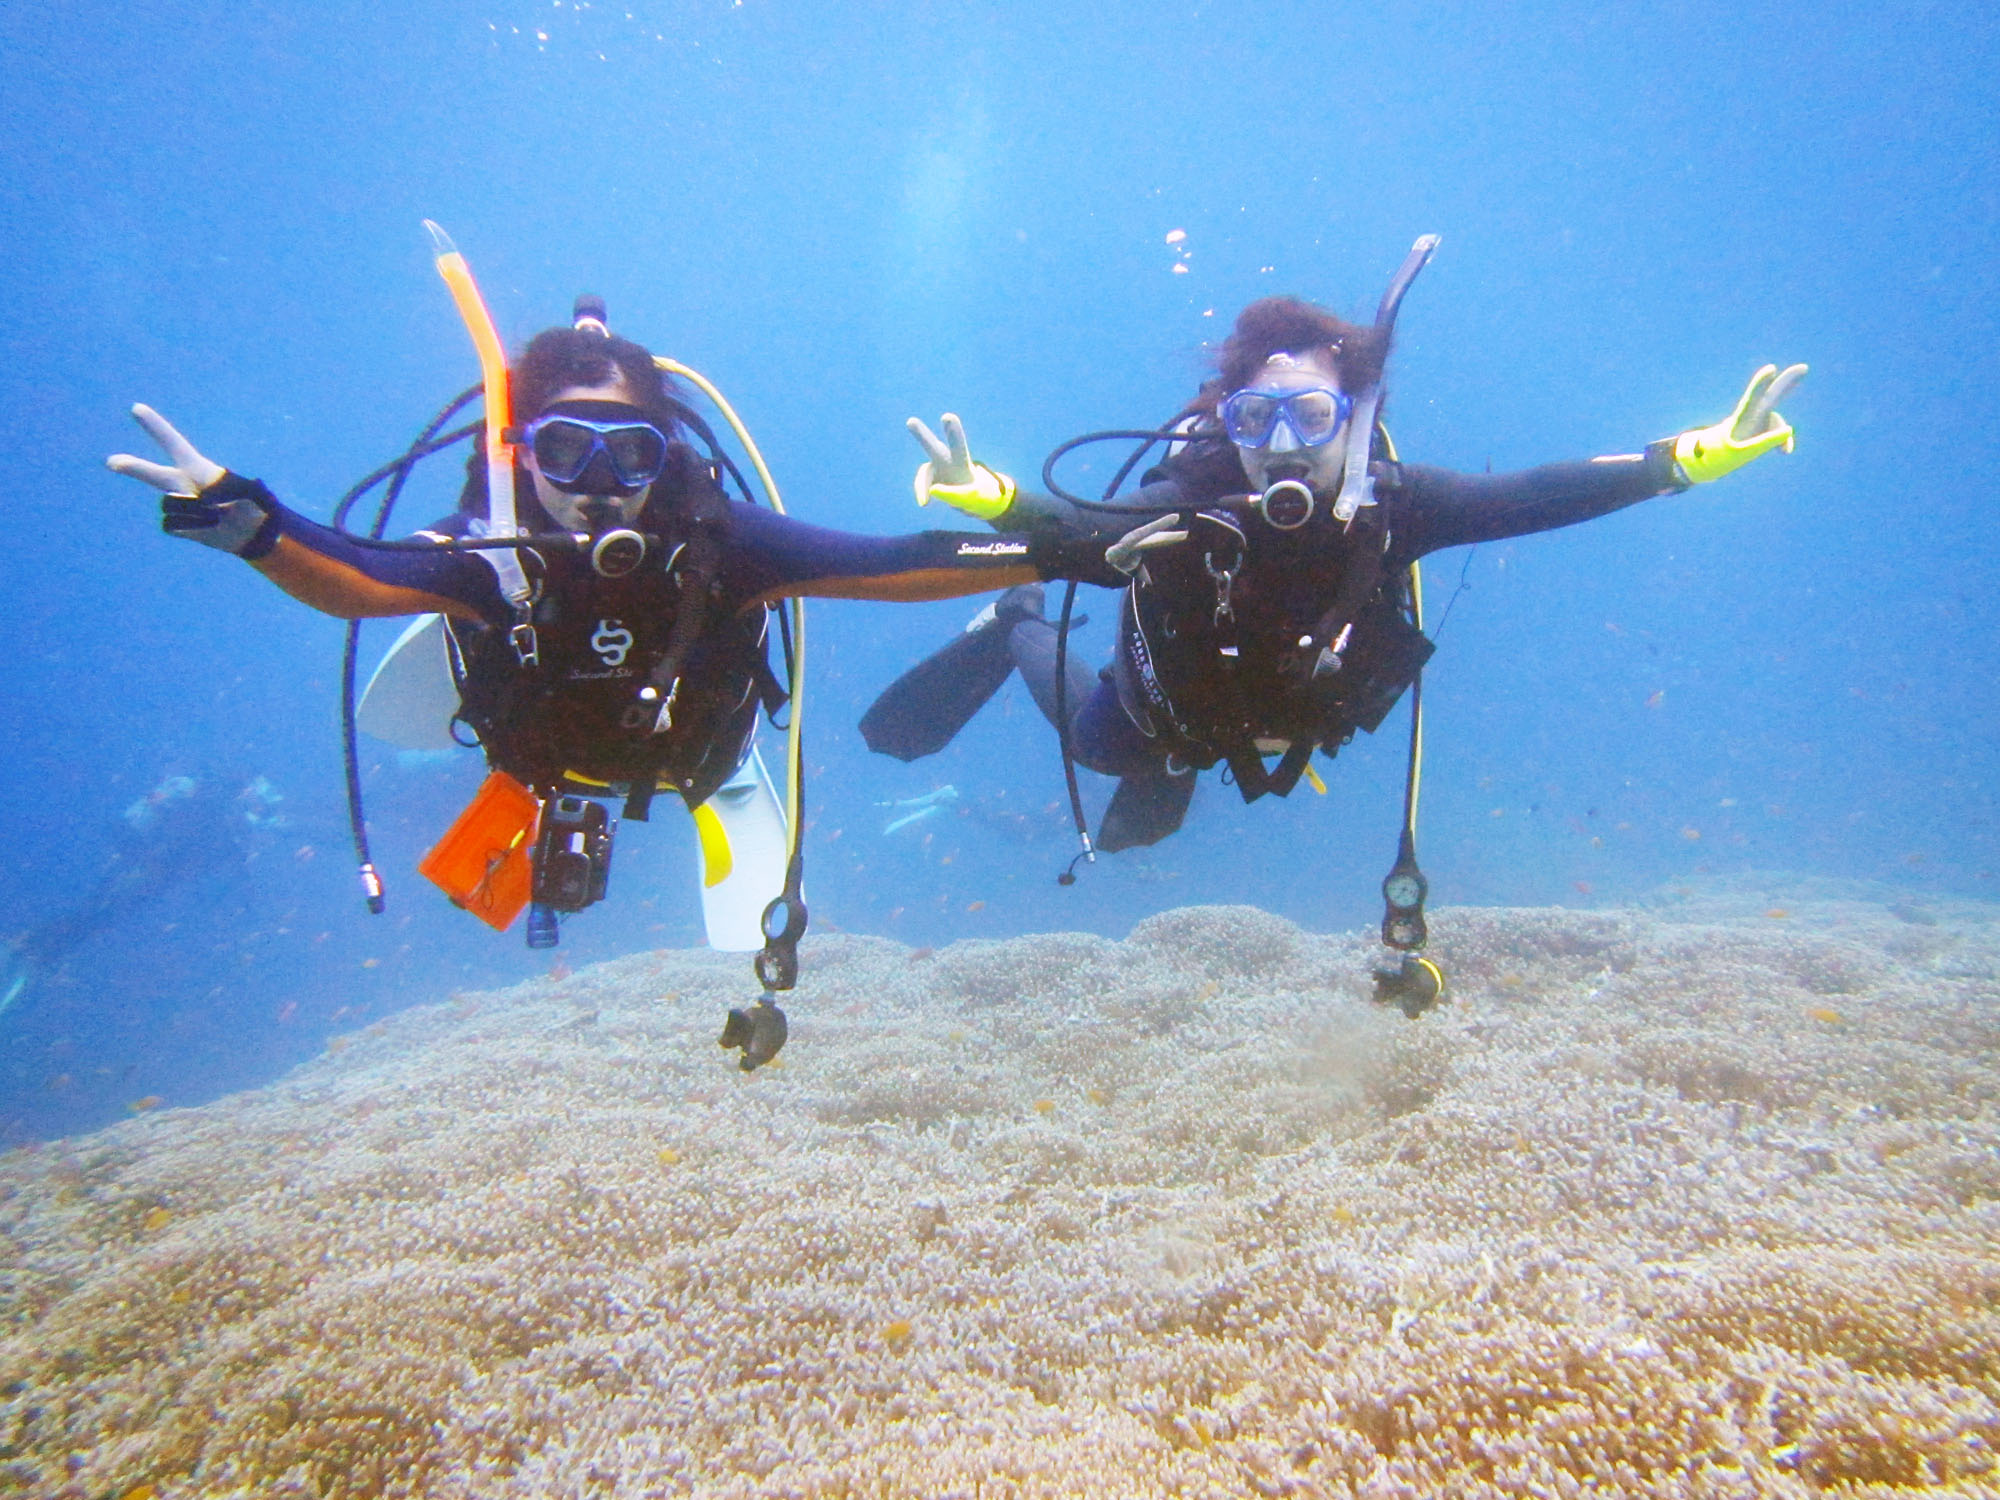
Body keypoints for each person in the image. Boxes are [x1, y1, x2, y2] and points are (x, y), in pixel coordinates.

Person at [106, 317, 1057, 977]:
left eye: (630, 454)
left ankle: (719, 785)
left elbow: (893, 563)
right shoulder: (485, 552)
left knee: (697, 756)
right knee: (463, 617)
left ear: (665, 452)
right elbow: (358, 574)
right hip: (535, 759)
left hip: (696, 751)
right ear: (519, 452)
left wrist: (1062, 543)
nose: (599, 485)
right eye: (566, 452)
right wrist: (259, 528)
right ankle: (503, 721)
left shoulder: (725, 542)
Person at [862, 287, 1806, 856]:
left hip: (1296, 710)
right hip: (1171, 711)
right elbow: (1077, 531)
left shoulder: (1401, 503)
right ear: (1225, 424)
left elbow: (1531, 495)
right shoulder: (1189, 505)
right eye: (1254, 421)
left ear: (1354, 417)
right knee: (1100, 747)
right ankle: (1012, 625)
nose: (1280, 447)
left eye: (1310, 419)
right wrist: (989, 494)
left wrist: (1684, 457)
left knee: (1184, 759)